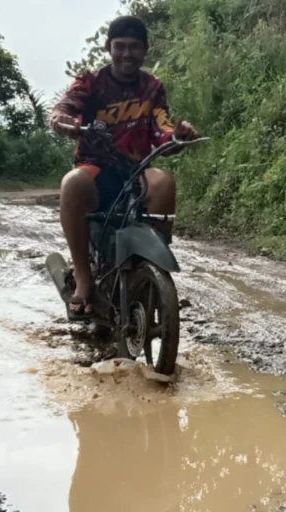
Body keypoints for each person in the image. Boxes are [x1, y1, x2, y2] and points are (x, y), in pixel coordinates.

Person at [49, 15, 199, 320]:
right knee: (71, 184)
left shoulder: (152, 87)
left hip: (135, 171)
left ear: (144, 50)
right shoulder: (90, 82)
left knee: (165, 182)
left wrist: (178, 138)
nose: (127, 53)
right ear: (109, 48)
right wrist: (62, 120)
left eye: (134, 47)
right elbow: (66, 108)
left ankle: (150, 269)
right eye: (120, 46)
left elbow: (162, 128)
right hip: (95, 170)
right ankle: (82, 276)